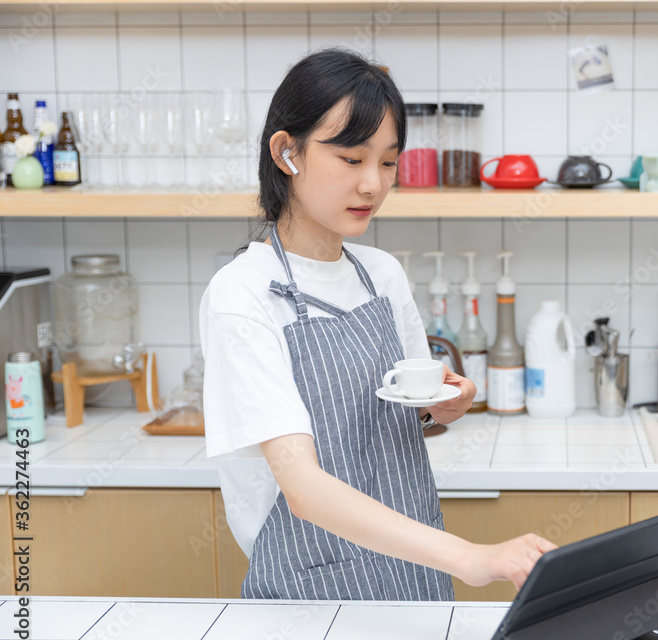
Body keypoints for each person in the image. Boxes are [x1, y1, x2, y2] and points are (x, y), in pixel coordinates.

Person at [200, 48, 557, 601]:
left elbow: (410, 411)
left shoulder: (381, 275)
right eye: (350, 159)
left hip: (414, 575)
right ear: (285, 151)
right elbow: (303, 488)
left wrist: (443, 406)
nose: (373, 184)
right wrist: (473, 556)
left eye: (388, 162)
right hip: (310, 594)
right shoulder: (242, 293)